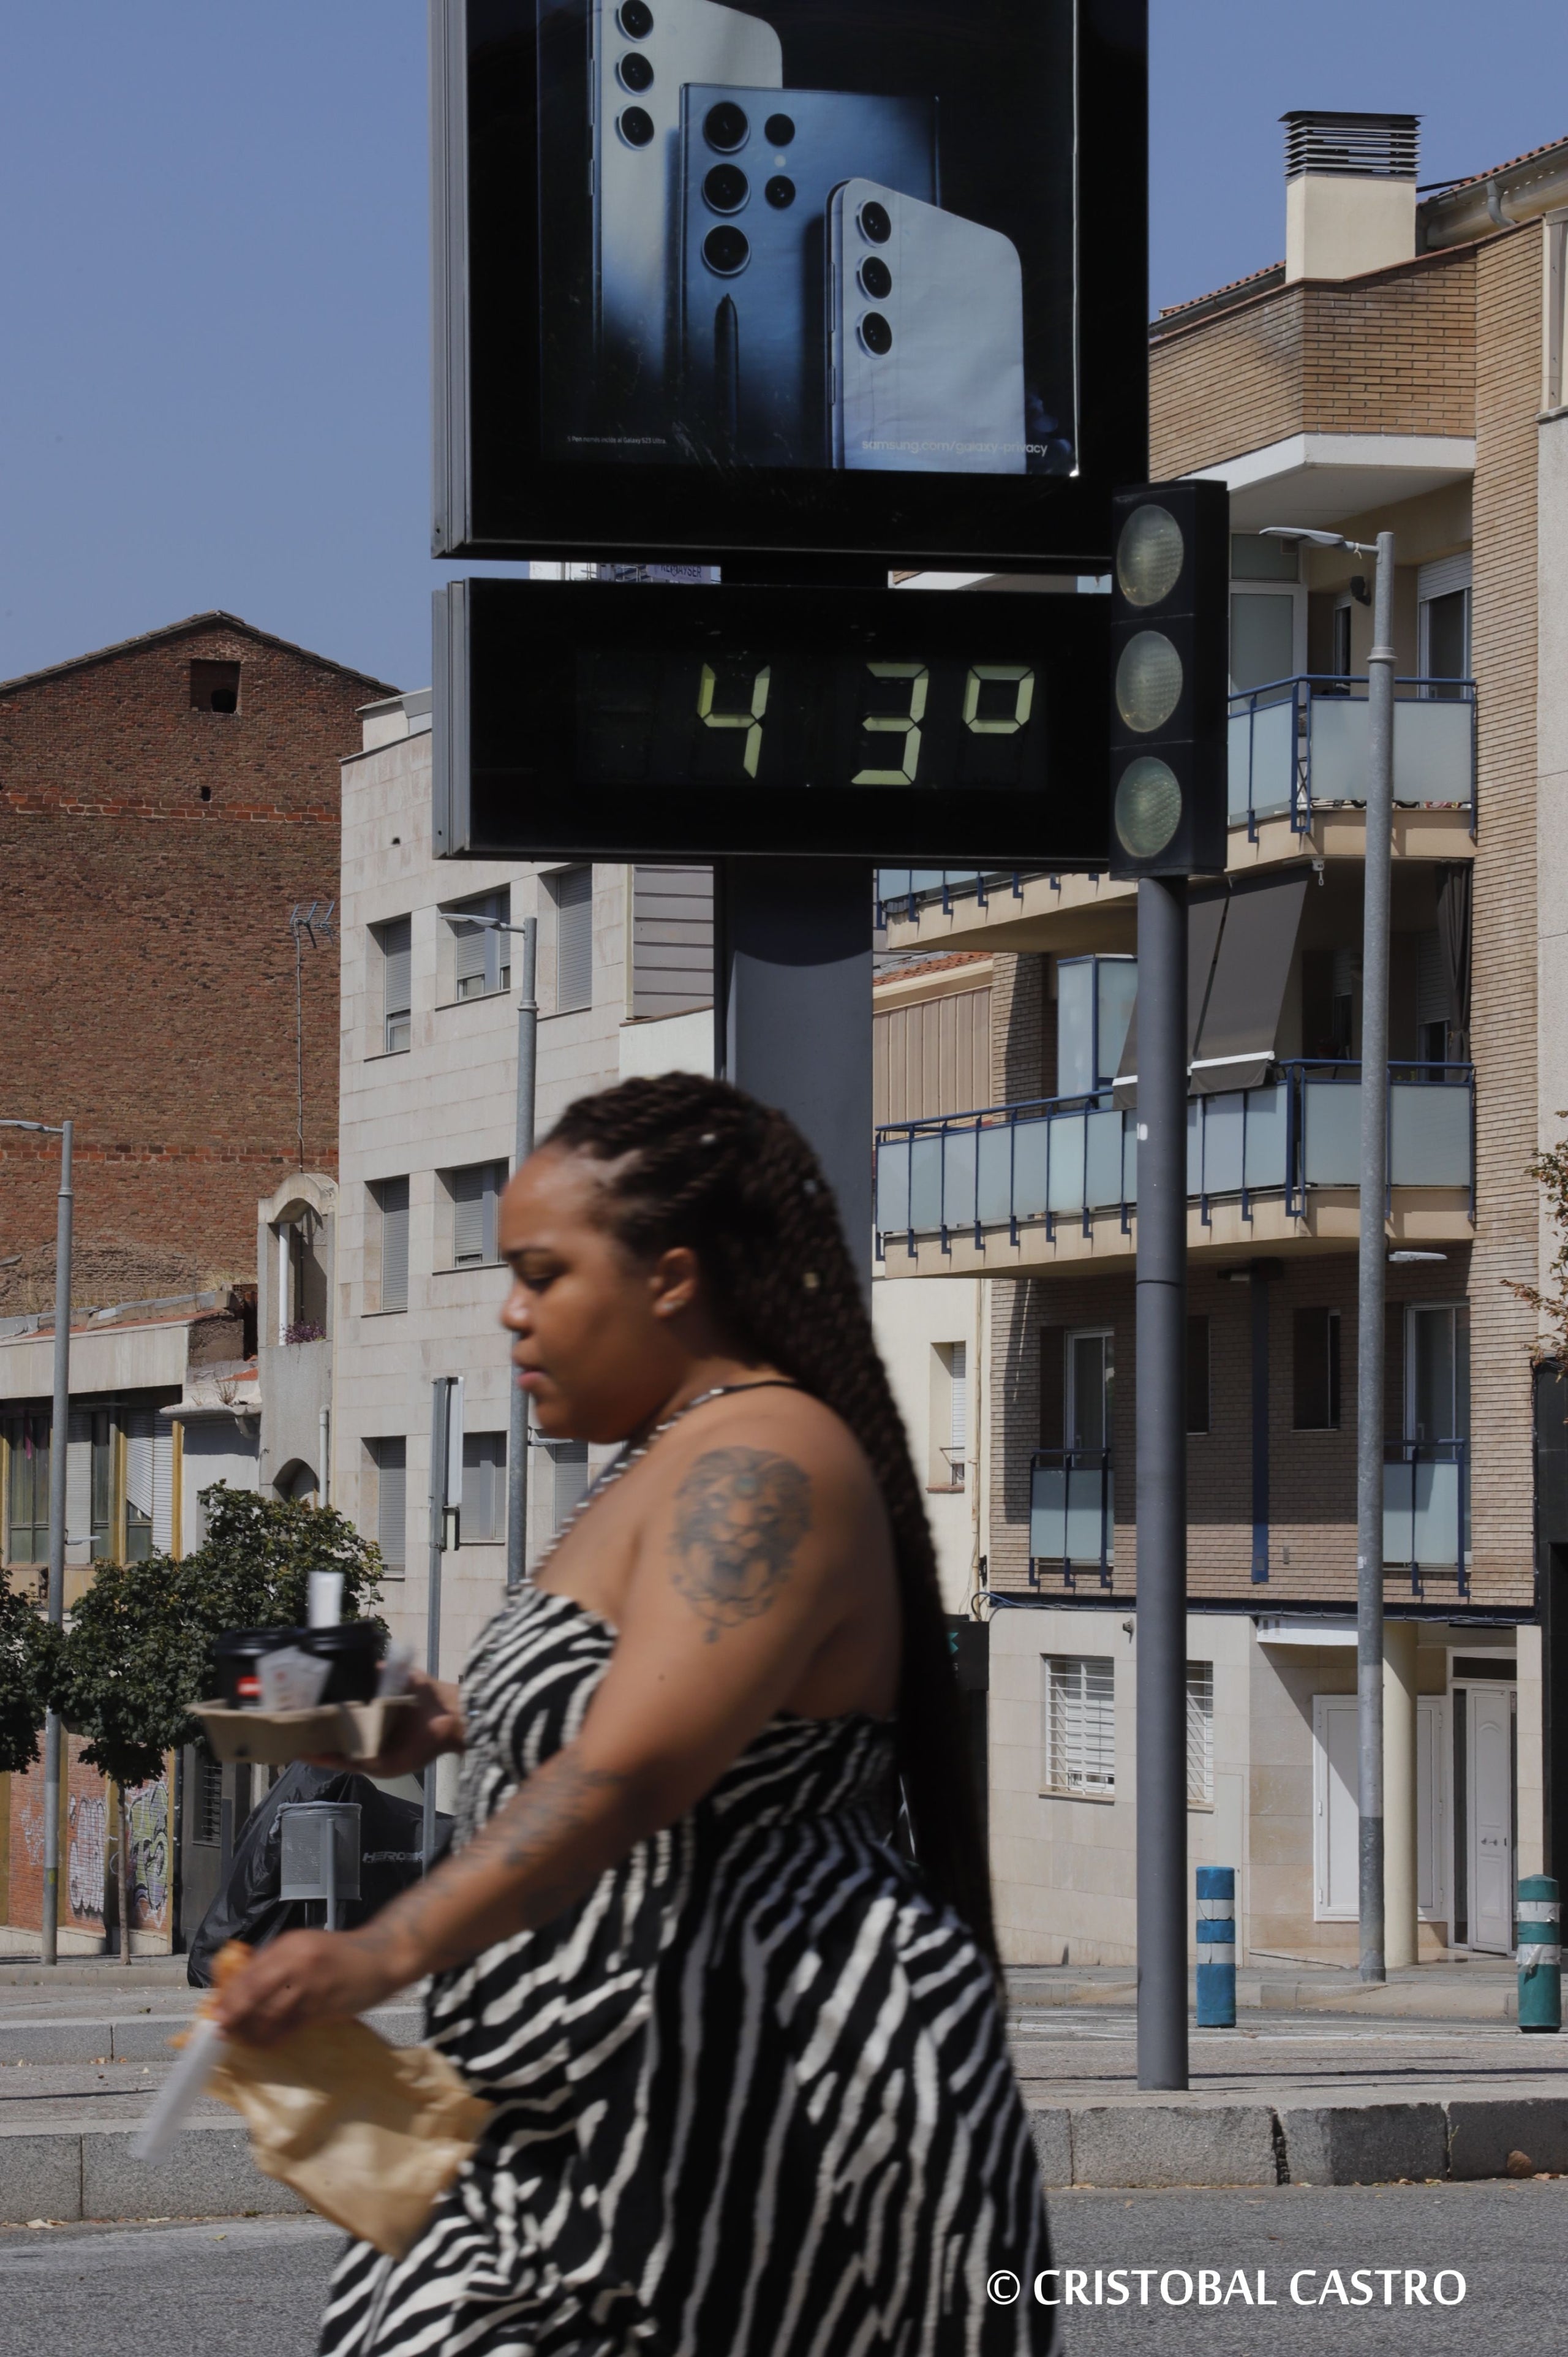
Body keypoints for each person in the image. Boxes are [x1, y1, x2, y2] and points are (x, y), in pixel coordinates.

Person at [215, 1073, 1054, 2354]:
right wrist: (430, 1722)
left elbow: (640, 1763)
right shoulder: (658, 1463)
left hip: (762, 2088)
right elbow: (611, 1721)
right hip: (585, 2111)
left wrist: (382, 1952)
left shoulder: (764, 1459)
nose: (512, 1313)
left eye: (544, 1273)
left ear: (670, 1275)